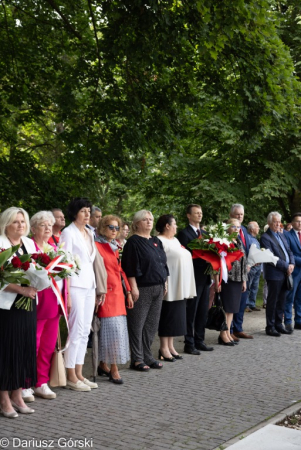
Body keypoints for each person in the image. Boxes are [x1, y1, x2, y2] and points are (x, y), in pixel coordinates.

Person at [0, 207, 37, 418]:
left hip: (29, 302)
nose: (21, 225)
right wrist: (20, 288)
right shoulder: (0, 244)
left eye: (23, 221)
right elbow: (1, 277)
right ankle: (3, 398)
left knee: (24, 348)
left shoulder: (29, 243)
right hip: (7, 306)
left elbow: (40, 270)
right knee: (7, 350)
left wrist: (38, 284)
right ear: (6, 224)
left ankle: (17, 394)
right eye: (15, 222)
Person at [60, 198, 100, 391]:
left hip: (89, 285)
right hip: (75, 285)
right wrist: (66, 292)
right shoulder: (68, 233)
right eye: (83, 211)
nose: (87, 214)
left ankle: (79, 372)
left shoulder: (90, 233)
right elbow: (64, 264)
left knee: (85, 330)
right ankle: (70, 375)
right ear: (75, 213)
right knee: (75, 330)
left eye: (88, 211)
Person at [121, 210, 169, 371]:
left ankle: (148, 356)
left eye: (151, 219)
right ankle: (137, 359)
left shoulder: (156, 241)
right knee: (137, 324)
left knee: (151, 325)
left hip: (158, 286)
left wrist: (166, 282)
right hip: (142, 288)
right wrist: (133, 287)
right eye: (145, 220)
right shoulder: (133, 242)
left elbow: (163, 263)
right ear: (137, 223)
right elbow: (129, 267)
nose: (149, 222)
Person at [95, 215, 133, 384]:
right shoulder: (96, 245)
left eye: (117, 228)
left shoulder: (115, 246)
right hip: (105, 293)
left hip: (118, 293)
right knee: (112, 331)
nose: (114, 231)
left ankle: (104, 364)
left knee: (115, 330)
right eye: (111, 227)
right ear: (103, 227)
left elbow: (120, 270)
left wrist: (129, 292)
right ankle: (114, 368)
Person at [30, 211, 62, 400]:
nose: (48, 228)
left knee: (48, 346)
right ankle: (26, 382)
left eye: (50, 225)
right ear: (33, 228)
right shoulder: (29, 247)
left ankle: (41, 382)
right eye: (43, 225)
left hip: (54, 300)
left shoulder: (55, 247)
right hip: (36, 300)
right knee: (33, 343)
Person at [156, 214, 196, 361]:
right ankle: (163, 347)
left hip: (180, 283)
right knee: (168, 315)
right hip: (170, 284)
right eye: (174, 224)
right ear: (167, 226)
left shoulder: (175, 239)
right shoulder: (159, 240)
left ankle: (171, 345)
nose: (176, 226)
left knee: (176, 316)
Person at [177, 204, 213, 355]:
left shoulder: (205, 233)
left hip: (205, 276)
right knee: (191, 310)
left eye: (201, 213)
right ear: (188, 215)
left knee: (202, 310)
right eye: (196, 213)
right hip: (192, 277)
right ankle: (189, 343)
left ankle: (200, 340)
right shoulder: (184, 234)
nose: (199, 215)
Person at [260, 211, 295, 336]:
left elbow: (289, 251)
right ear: (269, 222)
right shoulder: (265, 237)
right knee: (272, 301)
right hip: (274, 274)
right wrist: (286, 266)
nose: (278, 224)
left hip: (285, 273)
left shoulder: (281, 235)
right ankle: (270, 326)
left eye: (279, 222)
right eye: (275, 222)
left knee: (282, 300)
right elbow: (270, 258)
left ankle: (279, 324)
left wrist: (291, 264)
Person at [214, 219, 247, 346]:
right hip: (228, 278)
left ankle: (227, 332)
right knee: (226, 307)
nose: (236, 229)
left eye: (238, 227)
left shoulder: (238, 241)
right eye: (233, 226)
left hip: (238, 278)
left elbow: (244, 262)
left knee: (232, 308)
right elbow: (217, 262)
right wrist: (217, 281)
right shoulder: (224, 242)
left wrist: (244, 280)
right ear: (227, 228)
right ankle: (223, 334)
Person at [229, 204, 253, 340]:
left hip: (244, 271)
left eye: (242, 214)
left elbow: (247, 249)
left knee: (242, 301)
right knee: (231, 303)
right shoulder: (226, 231)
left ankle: (238, 328)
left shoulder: (243, 229)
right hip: (232, 274)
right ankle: (229, 329)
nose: (240, 216)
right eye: (237, 214)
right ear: (231, 215)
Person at [284, 213, 301, 332]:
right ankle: (288, 322)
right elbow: (289, 254)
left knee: (300, 298)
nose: (300, 224)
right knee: (290, 297)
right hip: (294, 270)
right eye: (297, 221)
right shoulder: (288, 235)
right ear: (292, 223)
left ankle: (299, 321)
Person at [245, 222, 262, 312]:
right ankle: (246, 304)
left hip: (258, 265)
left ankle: (252, 303)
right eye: (257, 227)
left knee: (255, 286)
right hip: (251, 266)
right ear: (252, 229)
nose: (259, 228)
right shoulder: (247, 238)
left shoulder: (255, 239)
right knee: (248, 285)